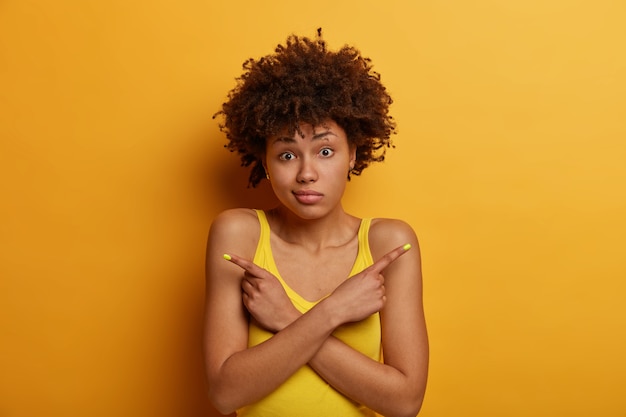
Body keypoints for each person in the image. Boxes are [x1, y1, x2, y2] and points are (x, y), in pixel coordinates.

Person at [204, 29, 428, 417]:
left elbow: (405, 402)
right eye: (287, 155)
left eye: (325, 151)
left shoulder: (388, 244)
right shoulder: (238, 234)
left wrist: (286, 319)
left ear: (353, 154)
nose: (307, 173)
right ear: (265, 162)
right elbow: (226, 394)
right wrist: (332, 311)